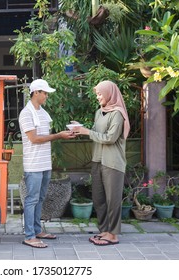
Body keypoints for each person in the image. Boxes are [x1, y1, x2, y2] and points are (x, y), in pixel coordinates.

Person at [71, 80, 130, 246]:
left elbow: (110, 138)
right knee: (99, 199)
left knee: (113, 200)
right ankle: (104, 230)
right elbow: (97, 133)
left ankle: (113, 234)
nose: (98, 97)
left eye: (100, 94)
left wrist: (86, 132)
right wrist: (80, 129)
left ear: (109, 93)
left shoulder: (117, 114)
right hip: (97, 160)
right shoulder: (99, 112)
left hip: (113, 162)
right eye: (97, 94)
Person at [19, 78, 75, 248]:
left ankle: (37, 230)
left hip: (44, 163)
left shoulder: (43, 112)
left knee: (40, 198)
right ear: (36, 93)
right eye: (44, 93)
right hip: (33, 164)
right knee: (32, 199)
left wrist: (68, 132)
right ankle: (29, 235)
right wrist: (59, 135)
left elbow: (44, 135)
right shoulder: (26, 113)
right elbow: (34, 139)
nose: (46, 96)